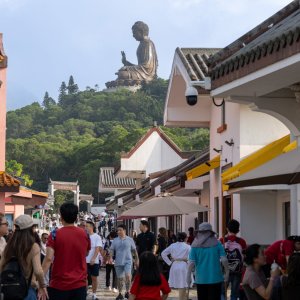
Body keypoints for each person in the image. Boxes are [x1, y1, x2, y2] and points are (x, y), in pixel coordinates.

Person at [42, 203, 91, 300]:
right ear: (76, 217)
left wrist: (39, 279)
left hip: (59, 285)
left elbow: (48, 258)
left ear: (61, 217)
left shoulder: (55, 234)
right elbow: (86, 253)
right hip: (79, 284)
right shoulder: (85, 234)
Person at [0, 214, 48, 300]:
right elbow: (38, 271)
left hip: (9, 290)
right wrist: (42, 285)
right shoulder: (33, 246)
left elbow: (1, 266)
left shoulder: (9, 246)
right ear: (31, 228)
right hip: (26, 290)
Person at [187, 222, 229, 300]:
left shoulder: (195, 245)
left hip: (200, 279)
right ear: (210, 232)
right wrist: (227, 272)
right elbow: (224, 259)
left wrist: (188, 276)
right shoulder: (217, 243)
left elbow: (191, 262)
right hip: (216, 277)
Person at [220, 219, 247, 300]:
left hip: (224, 270)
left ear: (227, 229)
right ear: (238, 230)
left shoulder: (222, 240)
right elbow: (244, 256)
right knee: (235, 293)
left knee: (222, 292)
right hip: (237, 270)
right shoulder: (242, 241)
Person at [110, 224, 139, 300]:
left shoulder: (130, 239)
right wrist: (110, 257)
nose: (118, 232)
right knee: (120, 279)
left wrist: (137, 260)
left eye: (120, 230)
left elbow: (134, 250)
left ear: (124, 230)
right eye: (118, 230)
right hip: (118, 262)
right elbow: (111, 250)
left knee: (128, 276)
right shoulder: (115, 240)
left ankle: (127, 291)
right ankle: (120, 293)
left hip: (128, 261)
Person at [162, 232, 191, 300]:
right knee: (183, 285)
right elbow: (191, 257)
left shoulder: (173, 245)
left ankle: (184, 297)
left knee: (181, 285)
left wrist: (169, 262)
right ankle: (183, 298)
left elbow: (163, 253)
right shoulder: (188, 246)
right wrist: (187, 260)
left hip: (174, 265)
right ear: (185, 238)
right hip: (184, 266)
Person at [86, 221, 103, 300]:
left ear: (92, 227)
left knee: (94, 278)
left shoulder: (97, 237)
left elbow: (97, 249)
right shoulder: (84, 236)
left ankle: (94, 294)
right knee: (84, 278)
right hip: (84, 261)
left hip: (94, 261)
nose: (86, 228)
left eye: (88, 226)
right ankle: (85, 292)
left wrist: (93, 258)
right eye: (85, 226)